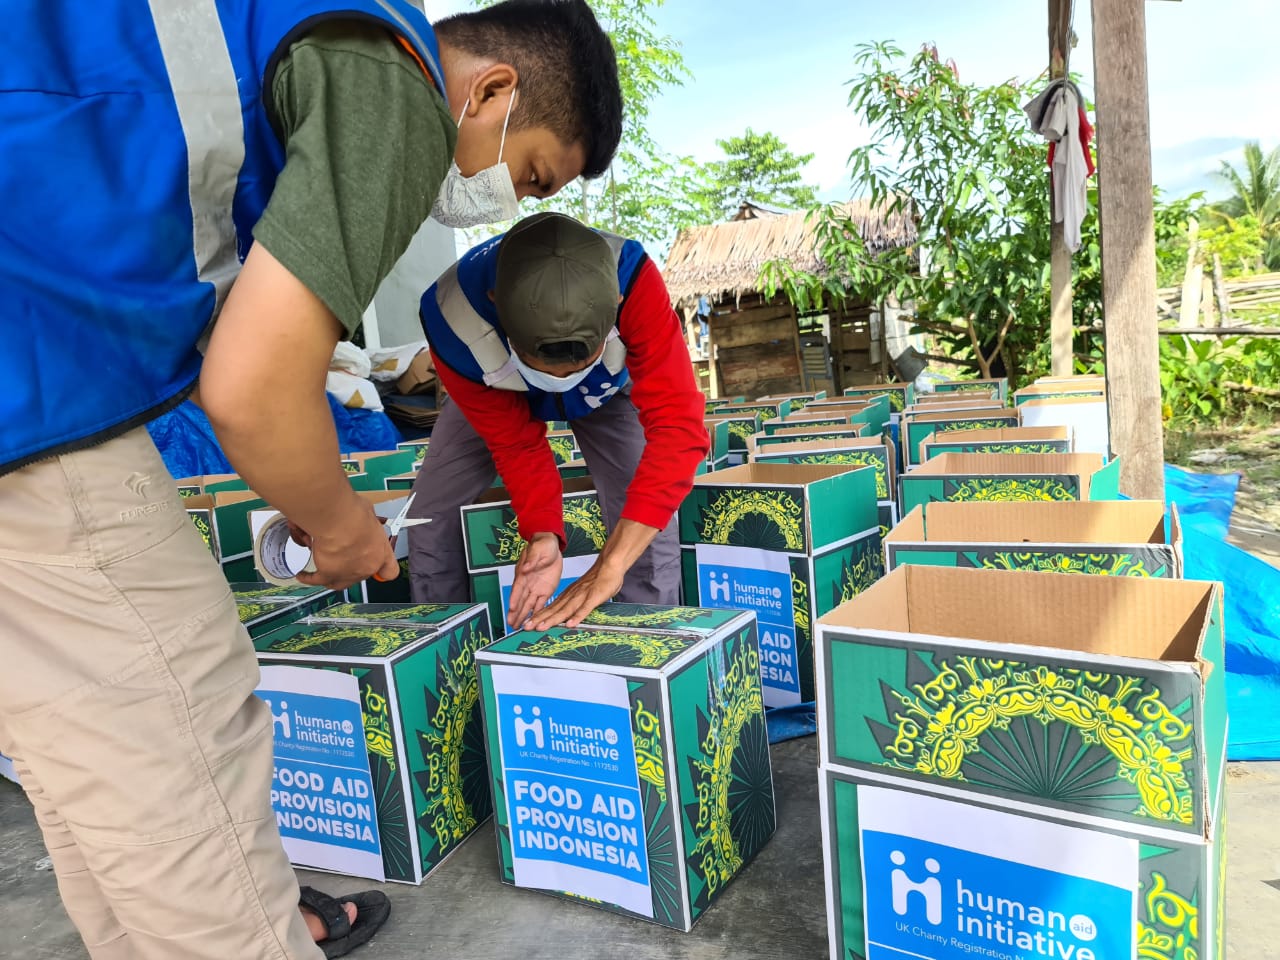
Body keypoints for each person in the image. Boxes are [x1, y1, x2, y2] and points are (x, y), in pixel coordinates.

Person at [0, 2, 621, 958]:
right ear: (492, 90)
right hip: (36, 397)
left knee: (92, 758)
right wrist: (338, 528)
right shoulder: (399, 89)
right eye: (528, 172)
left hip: (28, 394)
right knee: (181, 739)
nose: (504, 195)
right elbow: (252, 390)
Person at [408, 212, 709, 630]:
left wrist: (612, 563)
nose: (561, 382)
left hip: (606, 396)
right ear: (496, 307)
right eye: (547, 369)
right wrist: (543, 532)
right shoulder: (450, 315)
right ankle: (437, 648)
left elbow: (679, 429)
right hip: (496, 390)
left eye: (576, 365)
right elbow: (516, 445)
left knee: (646, 515)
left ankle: (652, 642)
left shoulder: (634, 280)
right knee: (429, 515)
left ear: (615, 305)